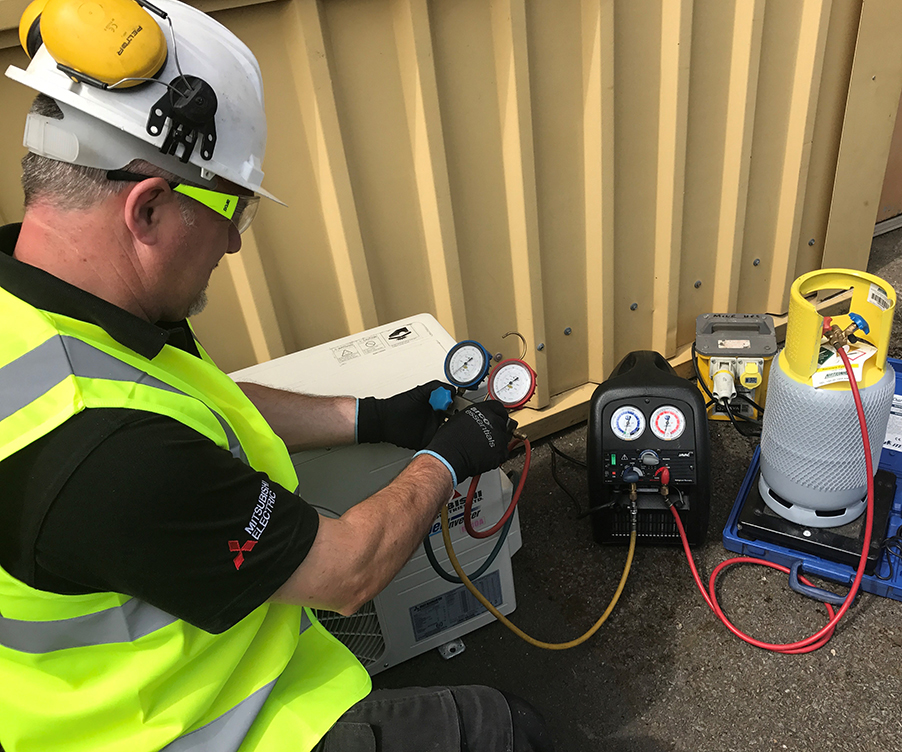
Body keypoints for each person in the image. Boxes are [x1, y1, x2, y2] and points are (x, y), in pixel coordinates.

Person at [0, 1, 553, 750]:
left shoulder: (45, 299)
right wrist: (446, 458)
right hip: (198, 729)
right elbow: (348, 572)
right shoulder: (102, 455)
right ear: (150, 208)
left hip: (125, 683)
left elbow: (187, 399)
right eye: (231, 208)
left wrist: (371, 416)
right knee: (506, 728)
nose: (231, 241)